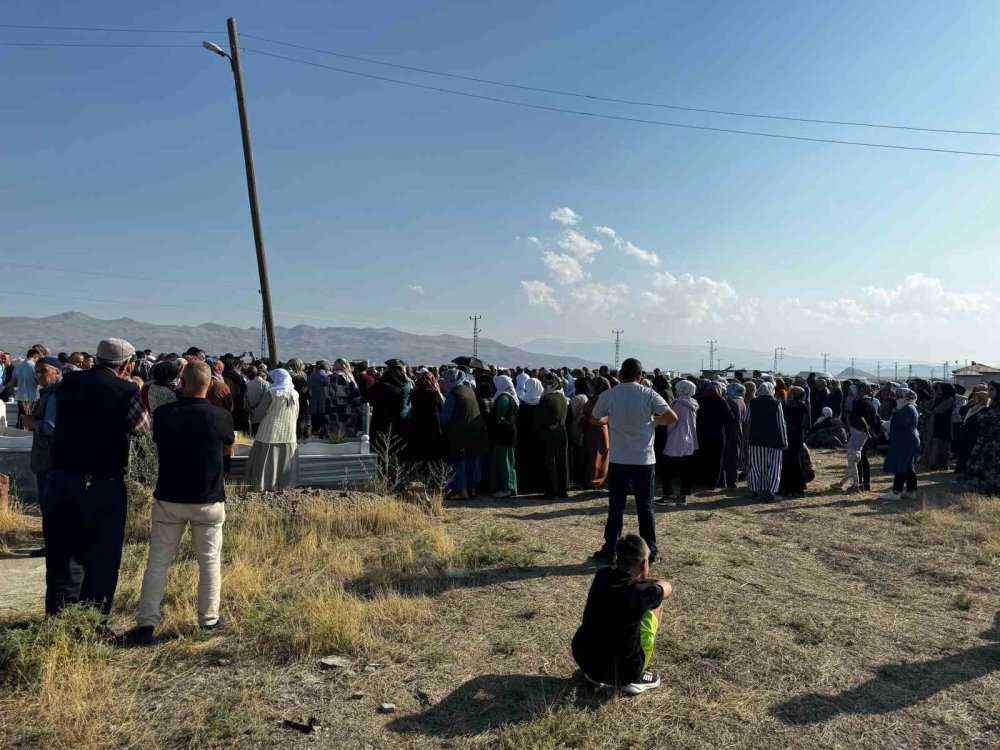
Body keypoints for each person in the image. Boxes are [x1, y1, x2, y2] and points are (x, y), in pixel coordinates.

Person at [125, 361, 235, 645]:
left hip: (169, 497)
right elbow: (228, 450)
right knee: (209, 562)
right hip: (208, 499)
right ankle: (208, 620)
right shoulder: (221, 417)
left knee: (158, 562)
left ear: (182, 383)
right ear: (210, 385)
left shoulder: (163, 415)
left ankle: (146, 624)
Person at [46, 338, 151, 616]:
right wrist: (136, 389)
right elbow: (141, 427)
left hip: (62, 478)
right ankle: (93, 621)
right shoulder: (125, 390)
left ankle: (59, 619)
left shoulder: (68, 382)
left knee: (64, 553)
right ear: (127, 365)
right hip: (102, 482)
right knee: (102, 554)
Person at [590, 358, 677, 565]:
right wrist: (653, 421)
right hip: (644, 458)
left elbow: (594, 418)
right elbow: (671, 417)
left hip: (619, 458)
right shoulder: (648, 394)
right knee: (645, 507)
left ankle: (610, 549)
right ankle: (650, 551)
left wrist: (610, 420)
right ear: (640, 376)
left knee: (616, 506)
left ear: (620, 375)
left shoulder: (609, 394)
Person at [571, 534, 672, 695]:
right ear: (644, 564)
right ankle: (636, 676)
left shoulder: (601, 575)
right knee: (656, 603)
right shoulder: (643, 591)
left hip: (585, 660)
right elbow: (667, 588)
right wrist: (649, 580)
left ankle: (597, 674)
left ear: (617, 558)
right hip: (625, 671)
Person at [246, 368, 299, 492]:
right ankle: (285, 486)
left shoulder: (272, 393)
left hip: (269, 432)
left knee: (265, 462)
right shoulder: (295, 393)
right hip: (289, 433)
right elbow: (296, 413)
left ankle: (263, 486)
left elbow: (259, 414)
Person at [439, 369, 489, 500]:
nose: (444, 382)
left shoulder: (454, 393)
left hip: (459, 433)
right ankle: (472, 489)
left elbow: (445, 417)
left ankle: (460, 490)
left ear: (451, 380)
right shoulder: (469, 389)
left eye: (445, 380)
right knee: (472, 461)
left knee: (457, 461)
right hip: (475, 431)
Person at [25, 356, 63, 514]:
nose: (39, 374)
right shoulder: (47, 392)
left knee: (49, 503)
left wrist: (32, 423)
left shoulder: (54, 395)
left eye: (44, 371)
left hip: (50, 457)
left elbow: (51, 428)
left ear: (57, 373)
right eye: (37, 371)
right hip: (48, 456)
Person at [658, 379, 698, 506]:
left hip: (676, 439)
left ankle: (667, 496)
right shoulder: (693, 403)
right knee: (685, 470)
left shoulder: (678, 404)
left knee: (666, 469)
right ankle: (683, 496)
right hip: (689, 439)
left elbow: (672, 422)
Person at [747, 381, 787, 503]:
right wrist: (785, 440)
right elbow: (781, 424)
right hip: (773, 440)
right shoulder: (776, 403)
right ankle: (772, 492)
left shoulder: (752, 402)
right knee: (774, 467)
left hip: (755, 439)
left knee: (755, 466)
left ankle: (754, 491)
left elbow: (745, 418)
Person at [881, 387, 920, 501]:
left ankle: (896, 492)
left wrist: (891, 419)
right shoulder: (907, 407)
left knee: (900, 465)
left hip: (905, 440)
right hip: (905, 439)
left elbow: (901, 423)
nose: (897, 398)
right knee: (907, 466)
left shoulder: (908, 408)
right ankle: (911, 491)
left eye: (900, 395)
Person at [694, 381, 733, 489]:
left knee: (702, 457)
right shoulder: (721, 401)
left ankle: (700, 481)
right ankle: (712, 483)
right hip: (717, 434)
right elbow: (730, 419)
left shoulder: (700, 400)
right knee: (716, 459)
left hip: (702, 433)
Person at [537, 372, 570, 498]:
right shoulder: (563, 398)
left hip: (549, 433)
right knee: (562, 460)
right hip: (562, 432)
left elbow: (539, 419)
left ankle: (551, 490)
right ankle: (562, 489)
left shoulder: (546, 399)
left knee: (550, 460)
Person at [489, 375, 519, 497]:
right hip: (510, 433)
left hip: (503, 434)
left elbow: (497, 418)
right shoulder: (512, 396)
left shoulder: (503, 398)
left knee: (504, 460)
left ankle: (506, 488)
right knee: (510, 461)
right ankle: (512, 486)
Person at [406, 370, 445, 464]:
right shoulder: (434, 393)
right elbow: (441, 406)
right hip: (432, 424)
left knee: (419, 449)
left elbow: (410, 405)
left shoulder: (414, 391)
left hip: (417, 422)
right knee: (432, 450)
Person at [779, 386, 812, 497]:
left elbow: (799, 423)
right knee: (789, 462)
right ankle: (787, 487)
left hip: (795, 437)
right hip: (792, 437)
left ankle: (796, 487)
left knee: (795, 462)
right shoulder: (794, 405)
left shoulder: (801, 406)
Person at [515, 377, 545, 495]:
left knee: (526, 463)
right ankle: (539, 486)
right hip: (538, 438)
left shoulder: (524, 404)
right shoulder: (542, 402)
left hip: (525, 439)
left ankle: (526, 487)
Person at [847, 382, 879, 491]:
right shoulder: (868, 402)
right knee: (861, 459)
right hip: (865, 433)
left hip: (860, 434)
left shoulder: (861, 403)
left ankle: (860, 484)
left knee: (860, 459)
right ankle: (863, 483)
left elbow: (858, 419)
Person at [582, 376, 611, 488]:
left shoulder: (600, 398)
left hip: (598, 428)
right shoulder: (599, 397)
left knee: (597, 454)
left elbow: (593, 414)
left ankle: (596, 480)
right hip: (595, 428)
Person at [956, 390, 990, 474]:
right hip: (967, 433)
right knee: (964, 451)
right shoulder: (974, 407)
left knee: (970, 452)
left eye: (977, 398)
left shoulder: (984, 409)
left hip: (974, 434)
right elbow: (963, 412)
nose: (975, 399)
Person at [327, 358, 362, 439]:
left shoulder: (327, 378)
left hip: (332, 410)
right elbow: (356, 396)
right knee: (346, 437)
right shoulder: (347, 378)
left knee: (334, 435)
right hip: (347, 411)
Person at [721, 383, 748, 488]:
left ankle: (724, 480)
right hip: (738, 432)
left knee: (725, 457)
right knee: (735, 457)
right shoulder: (741, 401)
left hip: (728, 432)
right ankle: (732, 480)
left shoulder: (729, 401)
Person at [923, 383, 956, 470]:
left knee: (942, 446)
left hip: (944, 425)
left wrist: (931, 412)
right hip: (935, 423)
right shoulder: (937, 399)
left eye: (941, 388)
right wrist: (934, 397)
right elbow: (928, 406)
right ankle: (932, 463)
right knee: (934, 444)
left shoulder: (949, 400)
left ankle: (941, 464)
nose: (939, 390)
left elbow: (937, 410)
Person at [567, 377, 591, 488]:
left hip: (576, 430)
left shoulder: (578, 398)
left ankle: (578, 480)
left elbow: (571, 415)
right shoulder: (587, 397)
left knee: (577, 458)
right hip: (583, 431)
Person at [10, 348, 42, 428]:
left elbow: (13, 383)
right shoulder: (34, 367)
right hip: (32, 396)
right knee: (31, 418)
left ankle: (20, 433)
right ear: (36, 357)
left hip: (20, 396)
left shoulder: (18, 366)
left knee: (21, 418)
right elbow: (39, 381)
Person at [244, 367, 268, 436]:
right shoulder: (266, 384)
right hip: (263, 416)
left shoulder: (248, 384)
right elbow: (266, 399)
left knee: (254, 434)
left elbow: (245, 399)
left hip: (252, 414)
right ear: (264, 376)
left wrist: (250, 409)